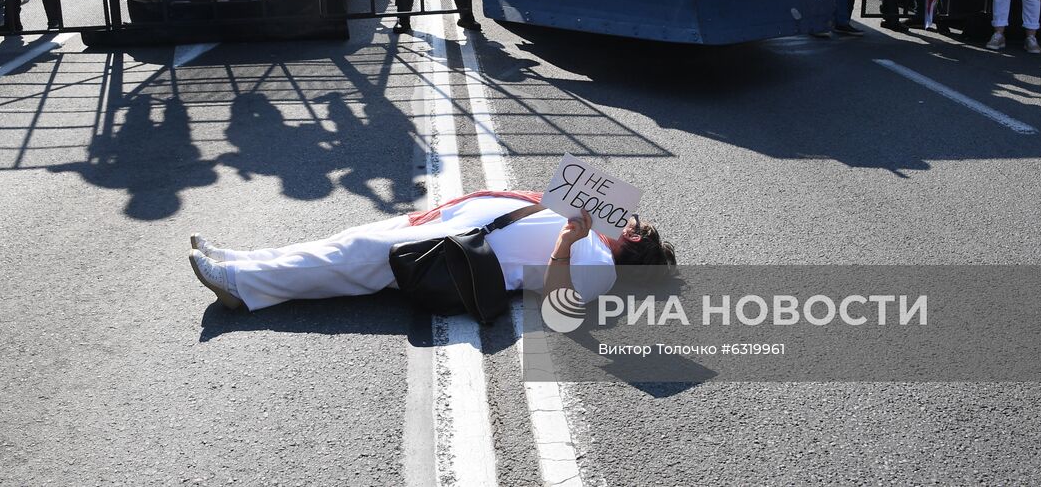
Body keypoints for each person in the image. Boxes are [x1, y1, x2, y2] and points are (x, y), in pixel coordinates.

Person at [186, 189, 676, 311]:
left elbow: (556, 298)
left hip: (455, 252)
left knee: (348, 261)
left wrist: (567, 241)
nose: (628, 218)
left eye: (634, 223)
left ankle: (244, 288)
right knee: (342, 245)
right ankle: (242, 260)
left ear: (635, 241)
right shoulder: (593, 231)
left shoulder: (600, 267)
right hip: (450, 226)